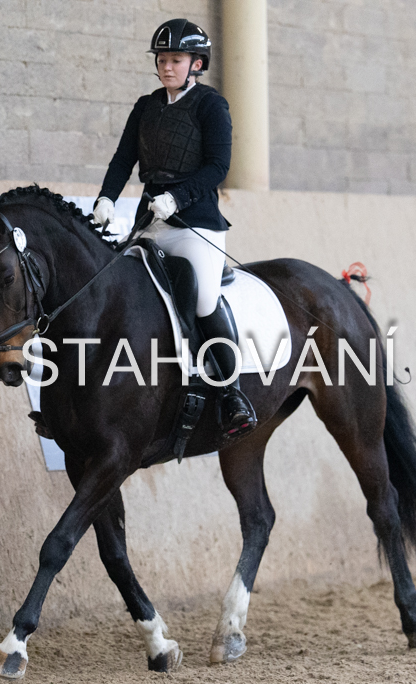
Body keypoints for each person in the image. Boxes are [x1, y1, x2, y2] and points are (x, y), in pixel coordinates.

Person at [92, 18, 256, 437]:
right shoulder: (146, 106)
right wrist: (107, 197)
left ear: (196, 63)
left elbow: (218, 166)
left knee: (202, 300)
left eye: (176, 60)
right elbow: (123, 159)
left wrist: (178, 198)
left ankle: (232, 394)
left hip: (195, 222)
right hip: (150, 221)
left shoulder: (211, 106)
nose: (167, 66)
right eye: (162, 59)